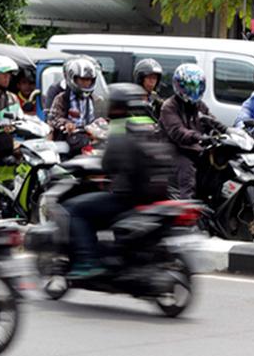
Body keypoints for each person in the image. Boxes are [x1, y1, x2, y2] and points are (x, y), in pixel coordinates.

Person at [61, 83, 174, 278]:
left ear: (113, 106)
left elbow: (109, 163)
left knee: (74, 209)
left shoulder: (119, 128)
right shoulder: (147, 123)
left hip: (127, 197)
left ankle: (87, 261)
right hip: (152, 194)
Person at [160, 64, 226, 199]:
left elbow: (212, 122)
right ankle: (187, 210)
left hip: (193, 148)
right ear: (179, 85)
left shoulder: (199, 105)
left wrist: (229, 131)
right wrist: (199, 137)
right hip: (173, 149)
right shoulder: (169, 106)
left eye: (197, 86)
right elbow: (178, 132)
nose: (193, 90)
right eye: (189, 86)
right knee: (187, 172)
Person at [49, 58, 107, 153]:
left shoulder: (97, 100)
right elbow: (53, 118)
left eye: (89, 80)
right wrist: (66, 124)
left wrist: (102, 126)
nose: (86, 83)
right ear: (73, 79)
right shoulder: (62, 98)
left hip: (92, 142)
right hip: (68, 142)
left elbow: (104, 119)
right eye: (82, 79)